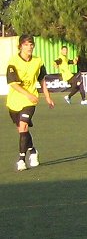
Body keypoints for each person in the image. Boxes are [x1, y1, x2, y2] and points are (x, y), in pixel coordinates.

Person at [6, 35, 55, 171]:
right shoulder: (13, 62)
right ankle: (33, 151)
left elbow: (42, 80)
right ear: (20, 46)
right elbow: (13, 84)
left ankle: (21, 160)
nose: (29, 47)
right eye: (26, 44)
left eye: (31, 44)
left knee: (23, 126)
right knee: (22, 130)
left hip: (30, 101)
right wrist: (27, 94)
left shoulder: (38, 61)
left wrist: (47, 97)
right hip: (14, 101)